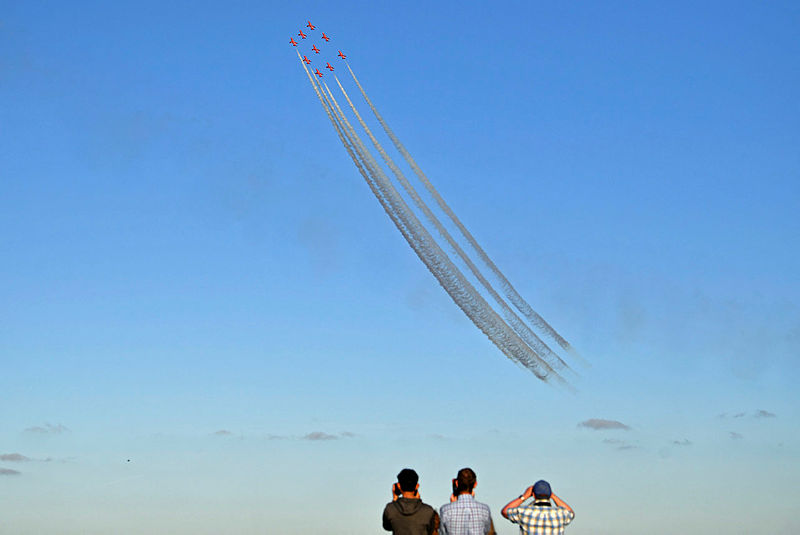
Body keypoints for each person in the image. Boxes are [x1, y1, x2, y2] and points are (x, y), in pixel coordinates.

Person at [501, 480, 574, 534]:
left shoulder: (524, 512)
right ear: (549, 495)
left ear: (534, 495)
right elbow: (571, 513)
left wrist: (524, 496)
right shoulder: (561, 514)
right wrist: (553, 496)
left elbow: (505, 511)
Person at [438, 467, 495, 535]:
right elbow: (487, 531)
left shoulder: (445, 510)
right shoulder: (485, 509)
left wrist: (452, 505)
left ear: (457, 483)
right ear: (475, 484)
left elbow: (443, 532)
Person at [383, 468, 439, 535]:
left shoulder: (390, 509)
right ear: (417, 486)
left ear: (398, 486)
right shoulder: (428, 511)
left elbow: (387, 526)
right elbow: (430, 531)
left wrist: (395, 499)